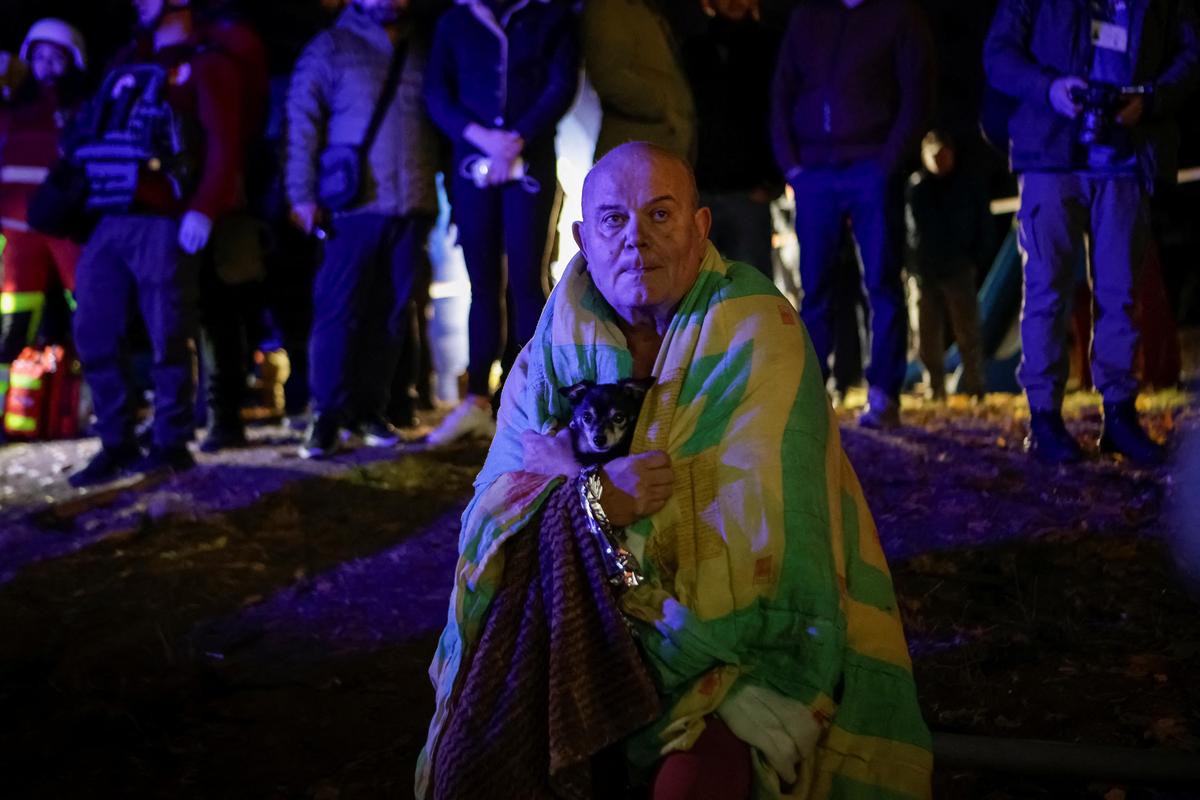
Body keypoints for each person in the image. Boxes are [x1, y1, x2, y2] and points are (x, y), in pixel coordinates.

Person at [417, 143, 931, 800]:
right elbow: (490, 515)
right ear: (581, 236)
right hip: (572, 645)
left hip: (731, 656)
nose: (636, 240)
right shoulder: (552, 347)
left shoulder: (756, 326)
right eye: (613, 220)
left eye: (661, 215)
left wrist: (569, 475)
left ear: (700, 227)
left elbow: (766, 538)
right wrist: (595, 501)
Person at [984, 0, 1200, 465]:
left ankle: (1119, 417)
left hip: (1127, 157)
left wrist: (1153, 98)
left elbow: (1191, 52)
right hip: (1049, 154)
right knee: (1046, 290)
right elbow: (998, 54)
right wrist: (1049, 88)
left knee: (1120, 293)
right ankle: (1044, 420)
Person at [68, 0, 241, 487]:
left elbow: (223, 141)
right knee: (94, 329)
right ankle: (116, 440)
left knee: (169, 331)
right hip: (109, 211)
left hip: (164, 217)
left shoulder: (207, 63)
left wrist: (204, 207)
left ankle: (171, 440)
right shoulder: (128, 60)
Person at [770, 0, 934, 429]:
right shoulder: (808, 15)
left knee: (881, 281)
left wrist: (887, 163)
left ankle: (883, 394)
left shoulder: (898, 14)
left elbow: (916, 92)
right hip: (816, 173)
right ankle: (811, 393)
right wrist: (793, 166)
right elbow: (783, 89)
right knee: (815, 288)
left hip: (870, 166)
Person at [286, 0, 439, 459]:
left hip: (411, 203)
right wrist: (301, 194)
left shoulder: (421, 48)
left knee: (392, 314)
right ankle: (327, 415)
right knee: (338, 310)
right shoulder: (330, 46)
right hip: (353, 204)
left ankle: (371, 409)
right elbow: (302, 122)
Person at [422, 0, 579, 446]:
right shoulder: (454, 19)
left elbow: (561, 82)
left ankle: (533, 400)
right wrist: (481, 137)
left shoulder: (551, 16)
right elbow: (437, 92)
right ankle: (476, 402)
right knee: (483, 283)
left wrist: (519, 137)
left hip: (530, 163)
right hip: (472, 166)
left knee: (530, 281)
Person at [0, 19, 88, 434]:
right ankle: (7, 410)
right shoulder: (12, 101)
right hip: (16, 231)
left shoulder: (82, 106)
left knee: (89, 310)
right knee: (11, 324)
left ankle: (88, 407)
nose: (47, 64)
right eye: (39, 55)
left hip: (66, 229)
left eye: (56, 56)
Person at [680, 0, 783, 278]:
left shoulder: (771, 46)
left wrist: (773, 179)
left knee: (752, 287)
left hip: (749, 190)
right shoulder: (694, 47)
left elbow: (782, 112)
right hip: (702, 188)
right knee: (695, 287)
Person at [905, 129, 989, 400]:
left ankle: (976, 386)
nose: (940, 160)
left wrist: (976, 258)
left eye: (943, 154)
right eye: (934, 156)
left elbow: (982, 224)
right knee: (926, 335)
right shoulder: (916, 188)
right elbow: (907, 231)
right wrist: (910, 265)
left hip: (958, 268)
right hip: (924, 271)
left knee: (968, 331)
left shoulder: (968, 184)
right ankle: (934, 388)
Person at [584, 0, 696, 164]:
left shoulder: (646, 8)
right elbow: (610, 78)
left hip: (657, 153)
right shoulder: (609, 7)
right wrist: (663, 105)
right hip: (637, 158)